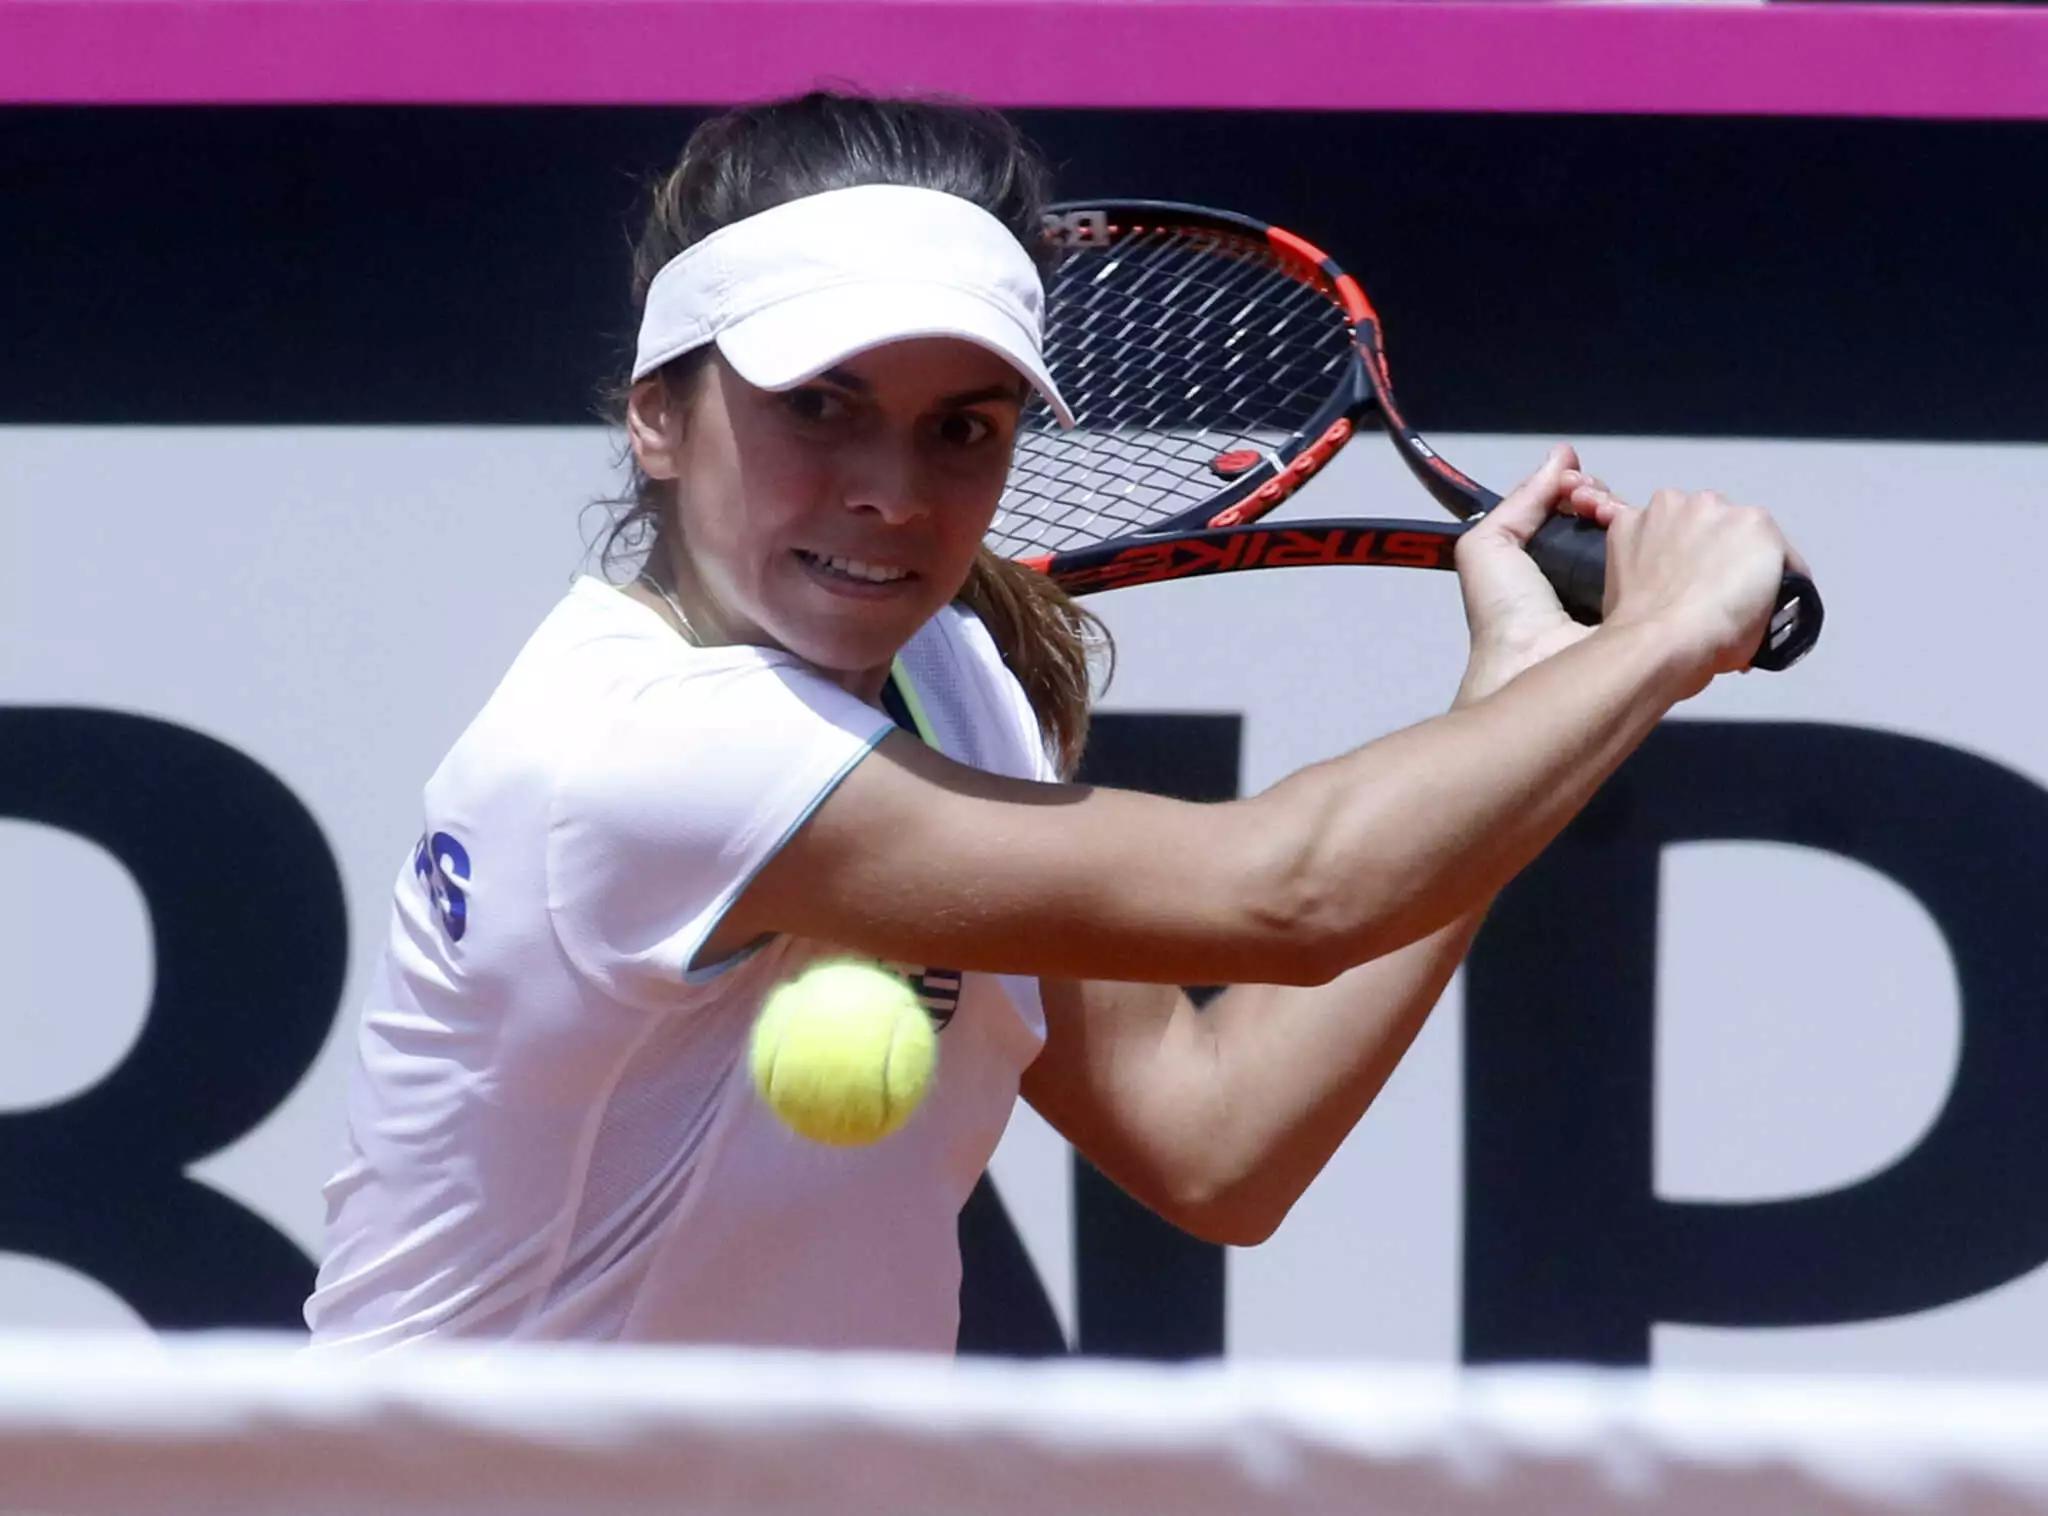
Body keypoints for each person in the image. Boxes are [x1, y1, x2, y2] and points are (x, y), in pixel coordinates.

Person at [304, 91, 1803, 1354]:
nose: (893, 490)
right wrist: (1664, 636)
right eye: (818, 405)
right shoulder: (644, 752)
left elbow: (1215, 1140)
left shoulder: (955, 685)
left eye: (962, 427)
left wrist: (1522, 688)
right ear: (657, 413)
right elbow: (1293, 891)